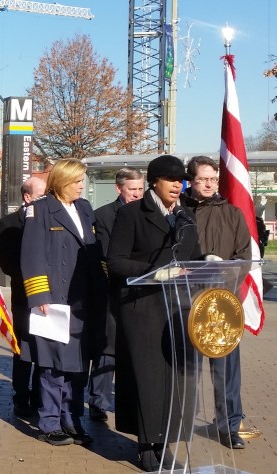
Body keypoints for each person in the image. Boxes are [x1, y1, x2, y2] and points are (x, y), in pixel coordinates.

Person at [107, 155, 202, 471]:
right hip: (142, 308)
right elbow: (116, 261)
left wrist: (208, 262)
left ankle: (166, 442)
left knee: (173, 380)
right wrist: (152, 272)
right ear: (155, 181)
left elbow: (194, 258)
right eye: (171, 179)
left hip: (177, 309)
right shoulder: (132, 214)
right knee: (146, 379)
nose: (178, 185)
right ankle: (146, 445)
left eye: (181, 180)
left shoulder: (186, 218)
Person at [20, 158, 106, 447]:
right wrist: (40, 296)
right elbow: (31, 257)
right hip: (54, 299)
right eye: (77, 181)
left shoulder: (84, 208)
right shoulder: (40, 210)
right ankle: (49, 423)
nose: (82, 185)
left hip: (85, 300)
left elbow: (94, 253)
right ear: (61, 182)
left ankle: (72, 420)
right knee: (52, 365)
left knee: (79, 365)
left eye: (83, 180)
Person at [183, 155, 251, 450]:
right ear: (191, 180)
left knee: (226, 369)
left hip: (222, 301)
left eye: (213, 179)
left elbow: (245, 257)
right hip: (184, 301)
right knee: (185, 368)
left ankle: (228, 427)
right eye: (202, 179)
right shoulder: (178, 211)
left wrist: (224, 273)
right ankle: (182, 421)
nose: (209, 184)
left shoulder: (232, 213)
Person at [88, 167, 144, 422]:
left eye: (140, 189)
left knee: (134, 349)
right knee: (107, 348)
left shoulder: (148, 215)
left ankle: (129, 400)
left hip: (142, 293)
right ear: (119, 188)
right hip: (112, 291)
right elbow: (107, 254)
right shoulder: (103, 216)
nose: (137, 194)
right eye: (132, 189)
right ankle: (98, 401)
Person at [0, 176, 46, 417]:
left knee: (44, 346)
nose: (46, 201)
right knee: (24, 347)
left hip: (48, 297)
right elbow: (7, 263)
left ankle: (39, 395)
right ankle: (20, 395)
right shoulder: (9, 223)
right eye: (41, 196)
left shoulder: (49, 219)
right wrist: (33, 277)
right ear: (27, 197)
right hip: (24, 296)